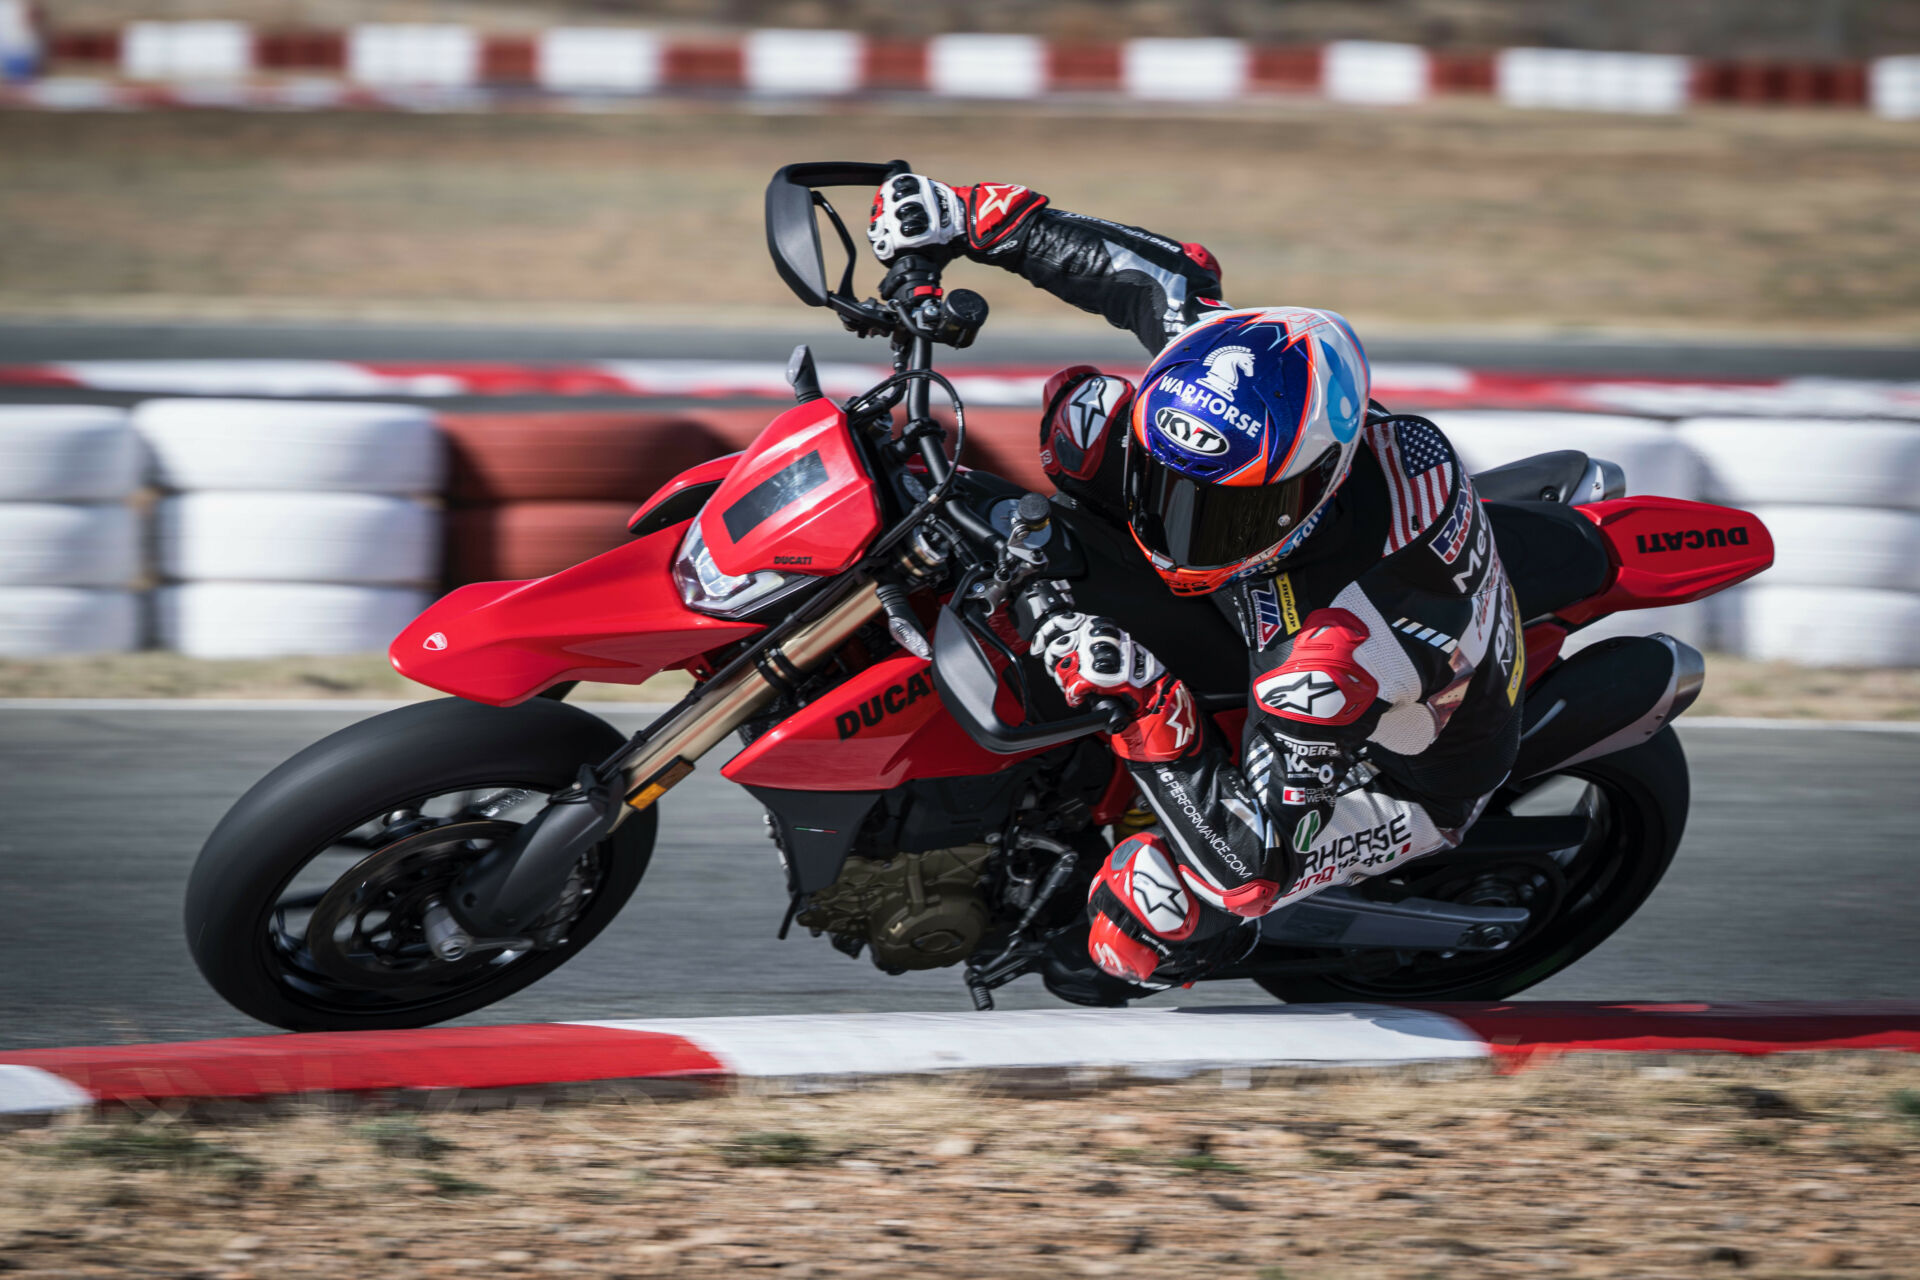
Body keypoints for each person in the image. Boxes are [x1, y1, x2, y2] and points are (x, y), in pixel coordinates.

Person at [868, 174, 1526, 997]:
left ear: (1310, 489)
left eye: (1222, 513)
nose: (1183, 530)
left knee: (1148, 917)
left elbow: (1253, 862)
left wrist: (1148, 700)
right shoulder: (1256, 386)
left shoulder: (1335, 649)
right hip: (1275, 605)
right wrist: (971, 218)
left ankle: (1202, 952)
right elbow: (1164, 278)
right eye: (1174, 494)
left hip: (1391, 764)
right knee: (1088, 427)